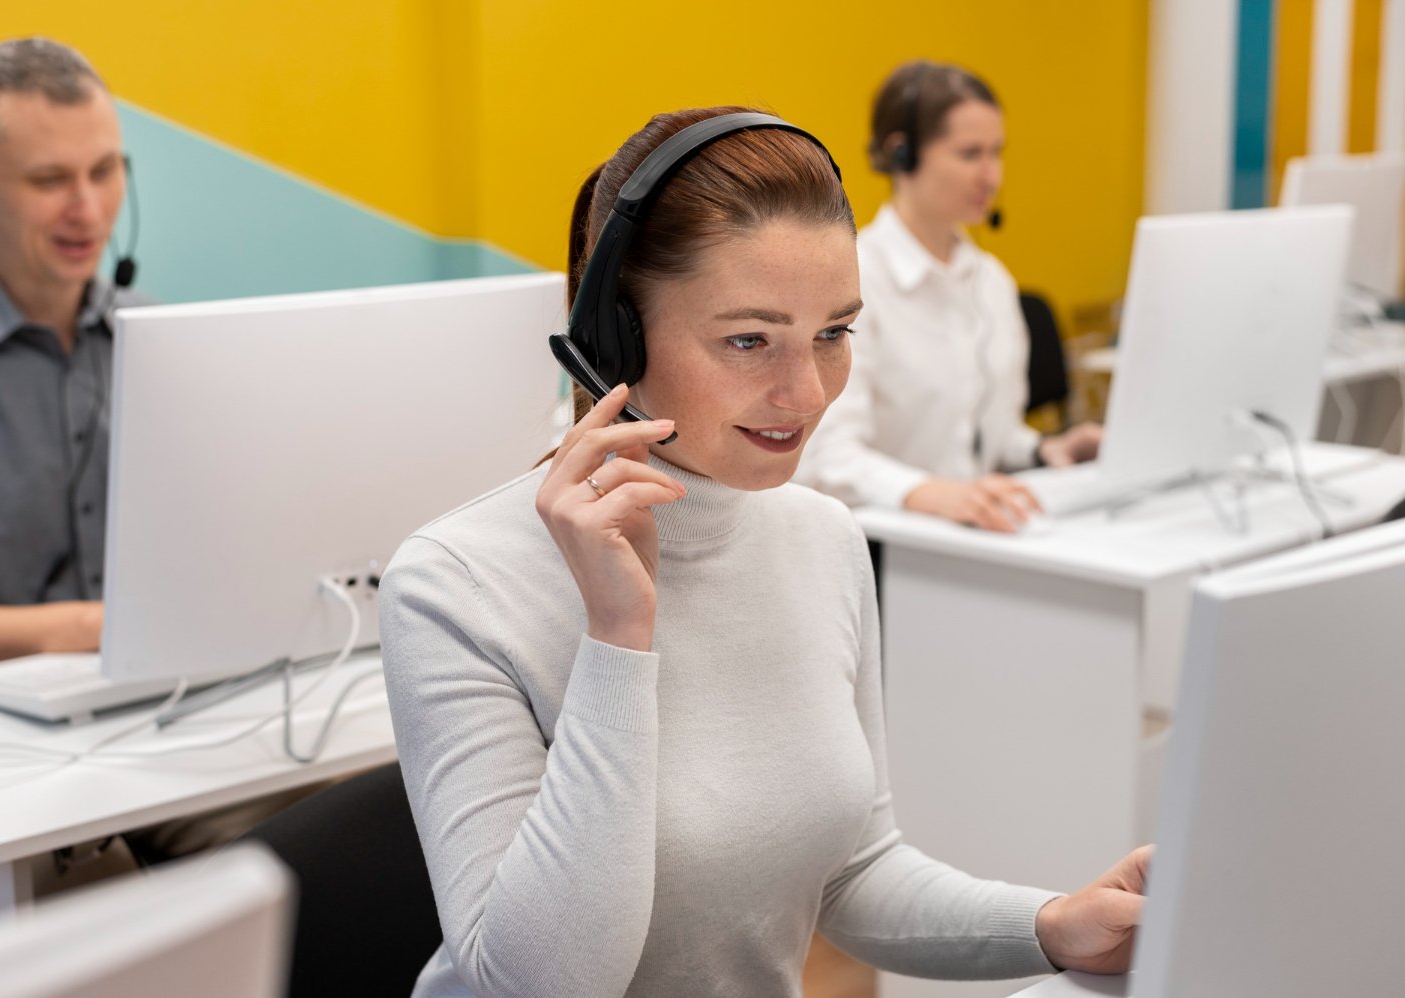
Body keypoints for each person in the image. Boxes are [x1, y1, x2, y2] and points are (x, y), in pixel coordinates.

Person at [380, 106, 1148, 997]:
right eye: (749, 340)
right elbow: (543, 983)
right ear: (614, 337)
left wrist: (1050, 926)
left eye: (834, 333)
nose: (806, 392)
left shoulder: (819, 537)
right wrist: (619, 635)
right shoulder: (455, 583)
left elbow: (851, 872)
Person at [0, 38, 145, 675]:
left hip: (171, 709)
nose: (88, 211)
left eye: (104, 171)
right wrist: (79, 628)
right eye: (49, 180)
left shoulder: (155, 338)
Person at [796, 61, 1101, 532]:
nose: (991, 175)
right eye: (970, 154)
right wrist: (933, 494)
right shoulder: (853, 281)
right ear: (903, 155)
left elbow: (989, 439)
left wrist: (1041, 450)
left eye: (997, 153)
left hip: (975, 533)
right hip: (885, 541)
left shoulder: (990, 281)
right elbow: (827, 457)